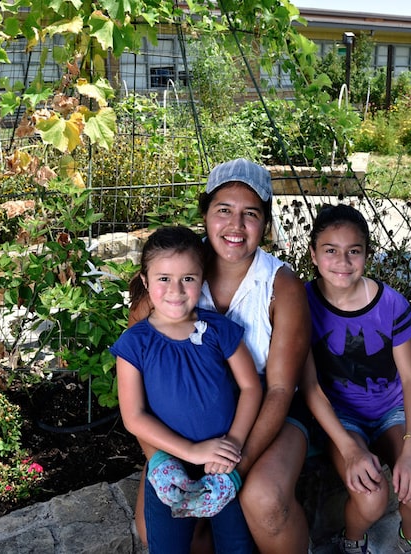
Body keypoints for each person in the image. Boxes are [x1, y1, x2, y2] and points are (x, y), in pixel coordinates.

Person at [128, 158, 313, 553]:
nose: (236, 225)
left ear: (265, 223)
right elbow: (140, 384)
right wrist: (162, 460)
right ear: (205, 214)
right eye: (223, 210)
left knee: (263, 500)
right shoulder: (176, 275)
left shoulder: (281, 285)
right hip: (193, 422)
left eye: (251, 214)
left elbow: (279, 389)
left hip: (267, 412)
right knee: (155, 526)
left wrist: (232, 470)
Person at [111, 226, 263, 554]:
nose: (176, 290)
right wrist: (190, 452)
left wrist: (234, 443)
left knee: (237, 547)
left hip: (223, 464)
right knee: (168, 547)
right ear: (146, 279)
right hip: (168, 466)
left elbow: (251, 387)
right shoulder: (134, 343)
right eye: (164, 278)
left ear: (202, 279)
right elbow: (133, 417)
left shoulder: (219, 330)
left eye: (188, 279)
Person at [300, 204, 411, 554]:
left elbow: (410, 377)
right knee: (372, 498)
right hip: (340, 416)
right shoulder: (302, 304)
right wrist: (348, 450)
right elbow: (311, 387)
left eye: (353, 252)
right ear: (314, 254)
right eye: (330, 250)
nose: (342, 262)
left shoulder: (388, 303)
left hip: (390, 409)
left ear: (367, 255)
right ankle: (353, 539)